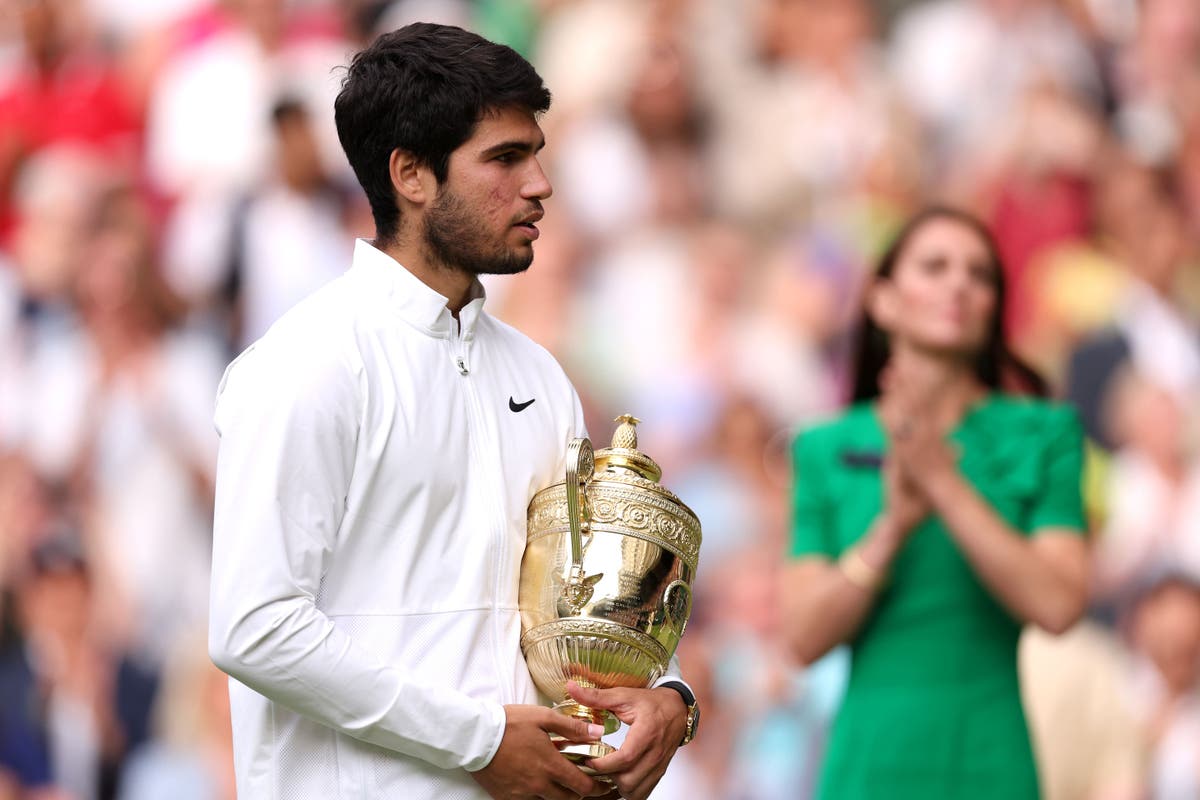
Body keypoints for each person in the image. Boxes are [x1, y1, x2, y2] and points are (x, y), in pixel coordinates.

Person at [207, 22, 696, 800]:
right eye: (505, 158)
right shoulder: (306, 364)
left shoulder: (541, 376)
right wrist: (477, 740)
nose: (540, 183)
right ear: (411, 174)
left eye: (535, 152)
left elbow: (574, 612)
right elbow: (255, 627)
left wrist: (669, 697)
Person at [781, 206, 1090, 799]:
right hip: (869, 762)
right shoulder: (825, 446)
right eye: (935, 266)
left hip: (989, 756)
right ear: (883, 300)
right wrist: (892, 527)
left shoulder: (1045, 433)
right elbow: (802, 636)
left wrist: (943, 484)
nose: (959, 284)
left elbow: (1058, 604)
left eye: (980, 274)